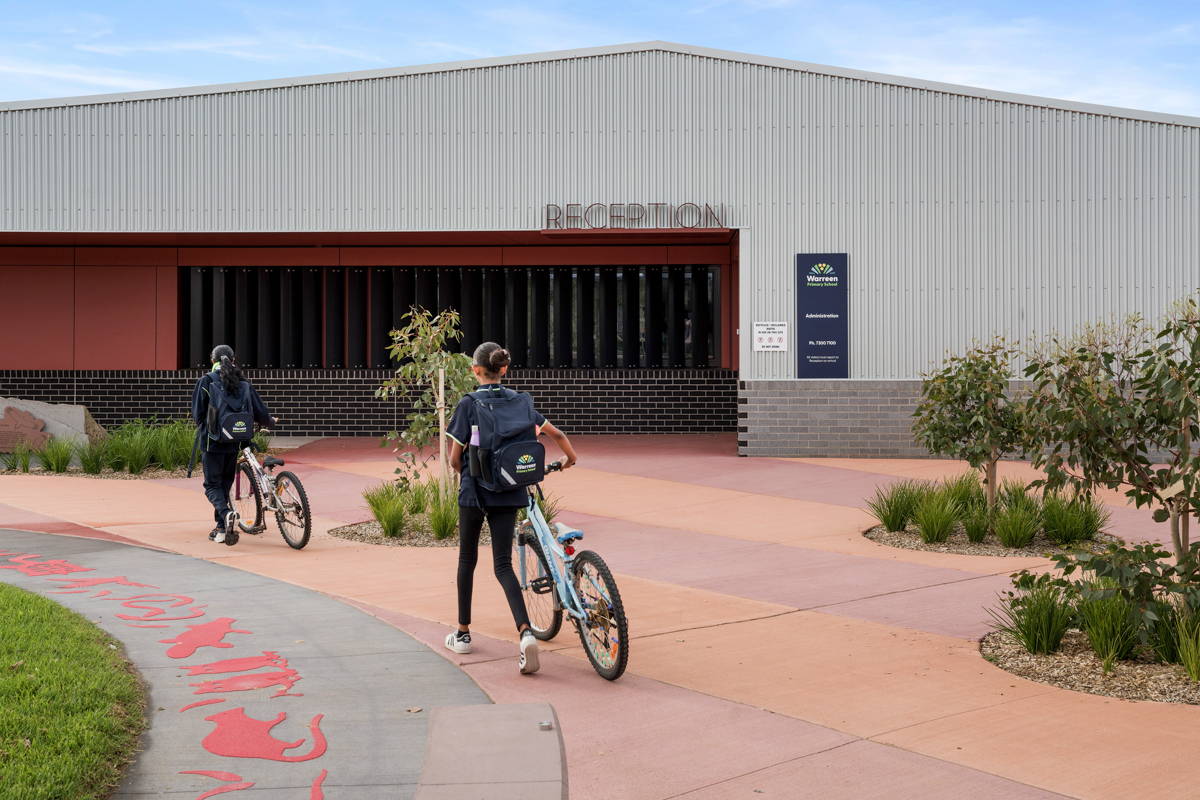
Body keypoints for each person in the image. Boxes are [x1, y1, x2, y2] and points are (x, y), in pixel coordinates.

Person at [444, 342, 578, 674]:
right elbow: (557, 433)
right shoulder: (522, 401)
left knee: (467, 559)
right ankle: (526, 633)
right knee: (503, 565)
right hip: (511, 490)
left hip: (475, 493)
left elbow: (453, 458)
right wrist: (570, 460)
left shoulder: (468, 403)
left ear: (475, 371)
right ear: (504, 369)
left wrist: (465, 474)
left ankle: (462, 634)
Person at [191, 345, 276, 544]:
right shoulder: (243, 382)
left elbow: (197, 415)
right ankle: (221, 528)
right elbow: (260, 411)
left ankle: (226, 514)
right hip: (235, 440)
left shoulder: (206, 381)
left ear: (212, 361)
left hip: (212, 442)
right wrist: (271, 422)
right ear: (233, 360)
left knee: (212, 486)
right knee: (225, 484)